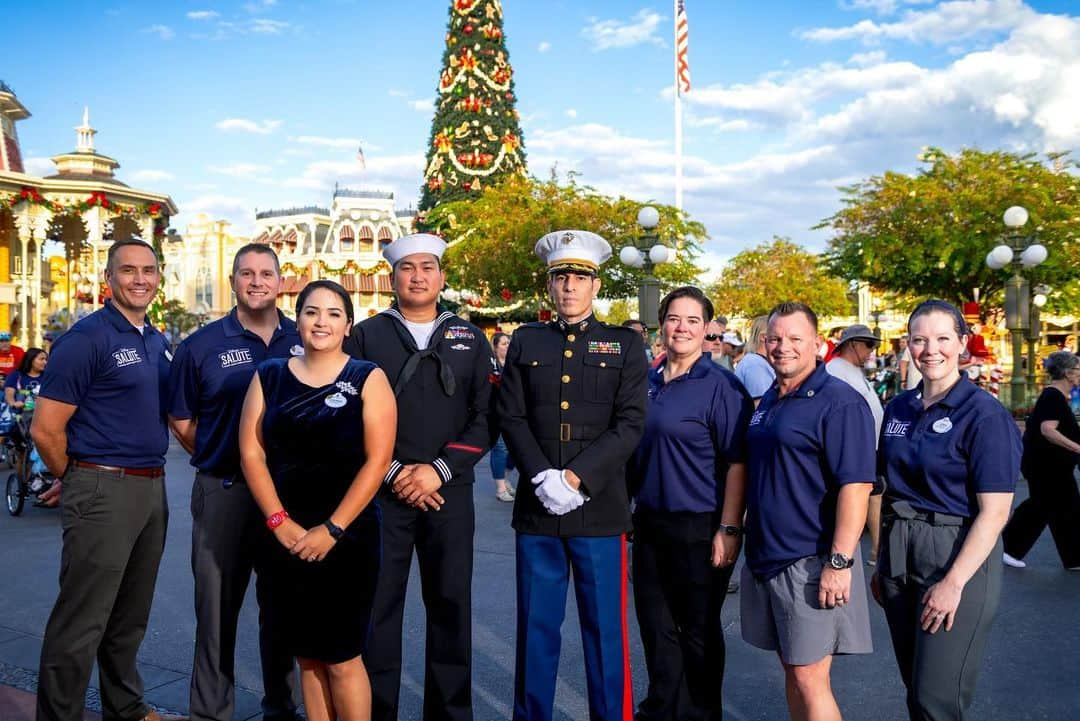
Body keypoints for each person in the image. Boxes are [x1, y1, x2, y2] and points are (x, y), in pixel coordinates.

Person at [497, 229, 647, 721]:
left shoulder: (623, 345)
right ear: (549, 285)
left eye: (579, 277)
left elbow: (630, 424)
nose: (569, 286)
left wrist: (576, 477)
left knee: (605, 634)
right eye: (560, 276)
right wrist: (542, 476)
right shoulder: (526, 340)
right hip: (539, 509)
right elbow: (512, 415)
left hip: (598, 510)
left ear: (596, 285)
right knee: (536, 630)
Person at [344, 233, 492, 721]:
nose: (418, 276)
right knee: (378, 611)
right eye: (408, 268)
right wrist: (393, 473)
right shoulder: (367, 335)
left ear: (442, 277)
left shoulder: (470, 337)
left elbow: (486, 416)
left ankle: (450, 715)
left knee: (451, 607)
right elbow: (349, 413)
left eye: (428, 267)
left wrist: (437, 471)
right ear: (393, 278)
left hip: (450, 492)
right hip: (382, 494)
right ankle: (377, 711)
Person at [31, 238, 180, 721]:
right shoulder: (87, 338)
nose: (140, 278)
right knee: (81, 620)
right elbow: (45, 429)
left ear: (159, 277)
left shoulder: (154, 339)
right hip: (104, 485)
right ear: (108, 279)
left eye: (149, 270)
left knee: (129, 615)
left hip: (150, 485)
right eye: (129, 270)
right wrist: (75, 479)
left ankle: (125, 705)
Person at [239, 280, 395, 721]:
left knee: (342, 657)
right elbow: (251, 450)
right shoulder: (269, 374)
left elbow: (377, 460)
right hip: (284, 535)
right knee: (307, 655)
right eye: (311, 312)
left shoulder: (368, 377)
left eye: (332, 313)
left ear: (348, 324)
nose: (320, 321)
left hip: (348, 536)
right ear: (298, 319)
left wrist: (333, 529)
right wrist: (278, 522)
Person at [167, 244, 303, 721]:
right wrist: (224, 457)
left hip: (290, 497)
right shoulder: (200, 346)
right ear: (233, 280)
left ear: (281, 281)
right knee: (217, 610)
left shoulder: (304, 337)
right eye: (247, 273)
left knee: (283, 608)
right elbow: (181, 419)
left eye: (267, 273)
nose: (257, 281)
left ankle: (281, 708)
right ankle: (210, 713)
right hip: (224, 492)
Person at [875, 299, 1019, 721]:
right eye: (919, 340)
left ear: (962, 343)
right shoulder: (898, 408)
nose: (930, 350)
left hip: (957, 554)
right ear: (908, 345)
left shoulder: (984, 415)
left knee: (935, 698)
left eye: (941, 338)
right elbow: (886, 488)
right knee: (914, 686)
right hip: (901, 551)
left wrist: (954, 583)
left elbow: (995, 512)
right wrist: (882, 560)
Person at [740, 302, 875, 721]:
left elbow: (857, 486)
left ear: (818, 344)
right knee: (793, 670)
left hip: (810, 560)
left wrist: (839, 562)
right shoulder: (771, 400)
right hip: (767, 557)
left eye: (796, 339)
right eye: (776, 339)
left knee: (811, 677)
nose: (784, 347)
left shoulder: (839, 401)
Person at [630, 286, 752, 721]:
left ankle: (701, 713)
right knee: (656, 625)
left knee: (697, 629)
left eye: (692, 321)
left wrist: (729, 528)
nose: (681, 328)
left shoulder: (722, 386)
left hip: (700, 525)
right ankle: (662, 708)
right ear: (661, 325)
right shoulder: (644, 380)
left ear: (707, 330)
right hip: (648, 523)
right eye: (674, 319)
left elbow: (738, 462)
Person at [1001, 350, 1080, 569]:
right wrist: (1077, 447)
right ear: (1067, 373)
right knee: (1042, 506)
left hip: (1053, 466)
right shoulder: (1053, 396)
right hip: (1047, 466)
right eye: (1078, 369)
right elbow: (1048, 430)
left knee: (1067, 508)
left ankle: (1074, 558)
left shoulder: (1056, 397)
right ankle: (1008, 547)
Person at [825, 325, 886, 566]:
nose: (872, 351)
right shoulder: (835, 371)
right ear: (853, 344)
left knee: (873, 493)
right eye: (868, 345)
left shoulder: (850, 370)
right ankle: (872, 549)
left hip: (870, 444)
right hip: (857, 447)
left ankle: (875, 548)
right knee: (868, 494)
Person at [489, 331, 517, 502]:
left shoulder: (514, 363)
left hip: (514, 412)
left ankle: (506, 479)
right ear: (496, 347)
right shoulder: (490, 365)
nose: (508, 346)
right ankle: (500, 488)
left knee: (515, 449)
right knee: (500, 448)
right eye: (504, 343)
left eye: (509, 343)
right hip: (497, 412)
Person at [734, 315, 775, 405]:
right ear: (763, 337)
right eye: (775, 335)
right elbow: (760, 406)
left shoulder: (756, 361)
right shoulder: (755, 365)